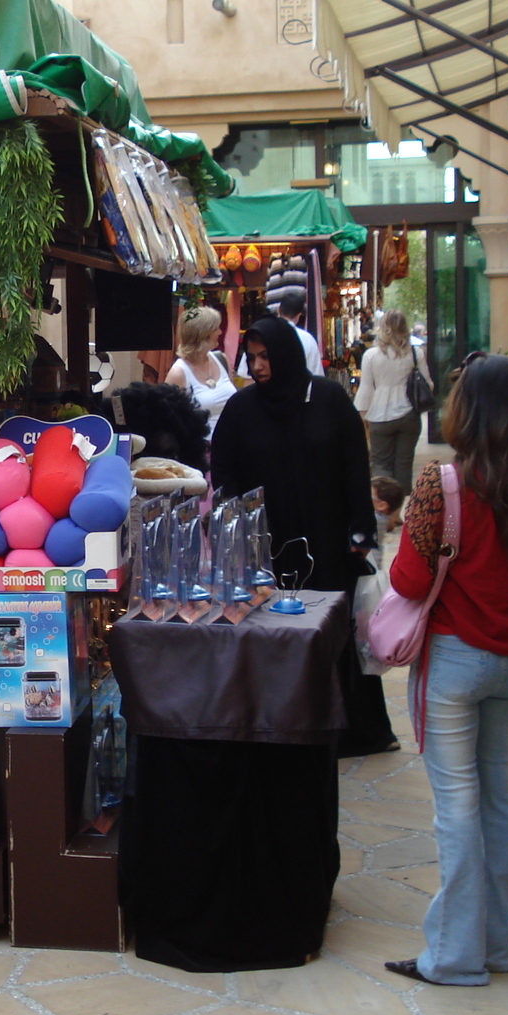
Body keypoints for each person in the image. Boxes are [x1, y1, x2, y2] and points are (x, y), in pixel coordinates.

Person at [381, 354, 508, 986]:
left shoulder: (443, 484)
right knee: (501, 803)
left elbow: (407, 577)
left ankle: (455, 957)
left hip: (455, 660)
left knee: (457, 808)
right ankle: (492, 946)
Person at [211, 316, 395, 755]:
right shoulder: (241, 409)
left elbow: (355, 466)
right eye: (251, 357)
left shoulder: (329, 400)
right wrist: (232, 530)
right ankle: (283, 725)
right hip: (266, 546)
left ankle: (347, 729)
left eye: (265, 356)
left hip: (328, 542)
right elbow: (225, 475)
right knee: (276, 633)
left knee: (333, 632)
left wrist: (361, 530)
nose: (257, 367)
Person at [355, 310, 432, 496]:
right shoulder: (415, 353)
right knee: (404, 463)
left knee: (381, 464)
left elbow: (366, 389)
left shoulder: (371, 355)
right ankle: (400, 509)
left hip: (379, 415)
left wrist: (362, 416)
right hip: (409, 415)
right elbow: (428, 384)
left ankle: (385, 508)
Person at [163, 306, 236, 438]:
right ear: (203, 333)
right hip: (201, 450)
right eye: (216, 328)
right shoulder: (178, 373)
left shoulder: (221, 359)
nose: (220, 332)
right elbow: (168, 421)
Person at [237, 288, 322, 378]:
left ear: (278, 310)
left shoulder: (261, 332)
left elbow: (245, 375)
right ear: (299, 315)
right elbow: (316, 377)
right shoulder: (308, 339)